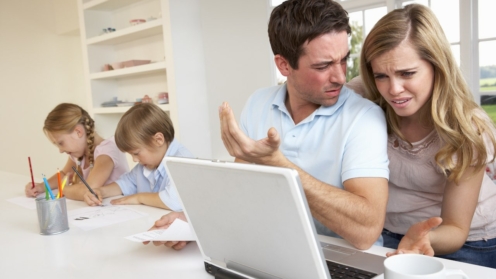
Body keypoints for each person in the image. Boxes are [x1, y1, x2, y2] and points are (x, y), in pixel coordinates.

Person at [217, 0, 390, 250]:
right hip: (274, 246)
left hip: (343, 256)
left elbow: (366, 231)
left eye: (343, 60)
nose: (341, 76)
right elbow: (241, 193)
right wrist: (190, 219)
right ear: (284, 65)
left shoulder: (364, 118)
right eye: (323, 66)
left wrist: (280, 165)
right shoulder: (257, 103)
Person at [359, 4, 496, 268]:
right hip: (391, 237)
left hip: (470, 244)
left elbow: (456, 228)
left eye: (407, 73)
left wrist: (421, 239)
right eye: (381, 76)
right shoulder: (366, 97)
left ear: (436, 65)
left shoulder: (467, 128)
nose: (394, 89)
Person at [83, 103, 194, 210]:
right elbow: (125, 183)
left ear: (158, 140)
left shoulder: (183, 162)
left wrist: (139, 198)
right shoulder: (145, 166)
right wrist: (101, 191)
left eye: (136, 153)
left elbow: (174, 200)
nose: (134, 159)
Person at [24, 103, 129, 199]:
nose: (60, 150)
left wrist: (63, 188)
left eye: (61, 143)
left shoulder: (107, 151)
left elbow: (88, 189)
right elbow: (64, 174)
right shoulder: (78, 153)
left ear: (78, 132)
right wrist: (41, 187)